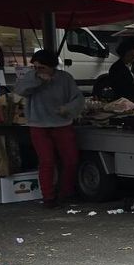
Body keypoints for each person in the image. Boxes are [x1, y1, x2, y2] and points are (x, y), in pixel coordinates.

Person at [14, 49, 85, 208]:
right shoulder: (31, 77)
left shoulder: (65, 78)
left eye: (42, 68)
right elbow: (20, 90)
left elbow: (78, 98)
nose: (38, 71)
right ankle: (48, 196)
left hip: (62, 124)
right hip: (38, 125)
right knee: (46, 161)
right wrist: (38, 80)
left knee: (71, 160)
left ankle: (67, 192)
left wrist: (68, 108)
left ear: (52, 66)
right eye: (35, 67)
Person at [96, 37, 134, 103]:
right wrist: (133, 83)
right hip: (123, 100)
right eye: (131, 55)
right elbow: (116, 87)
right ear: (123, 53)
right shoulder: (116, 68)